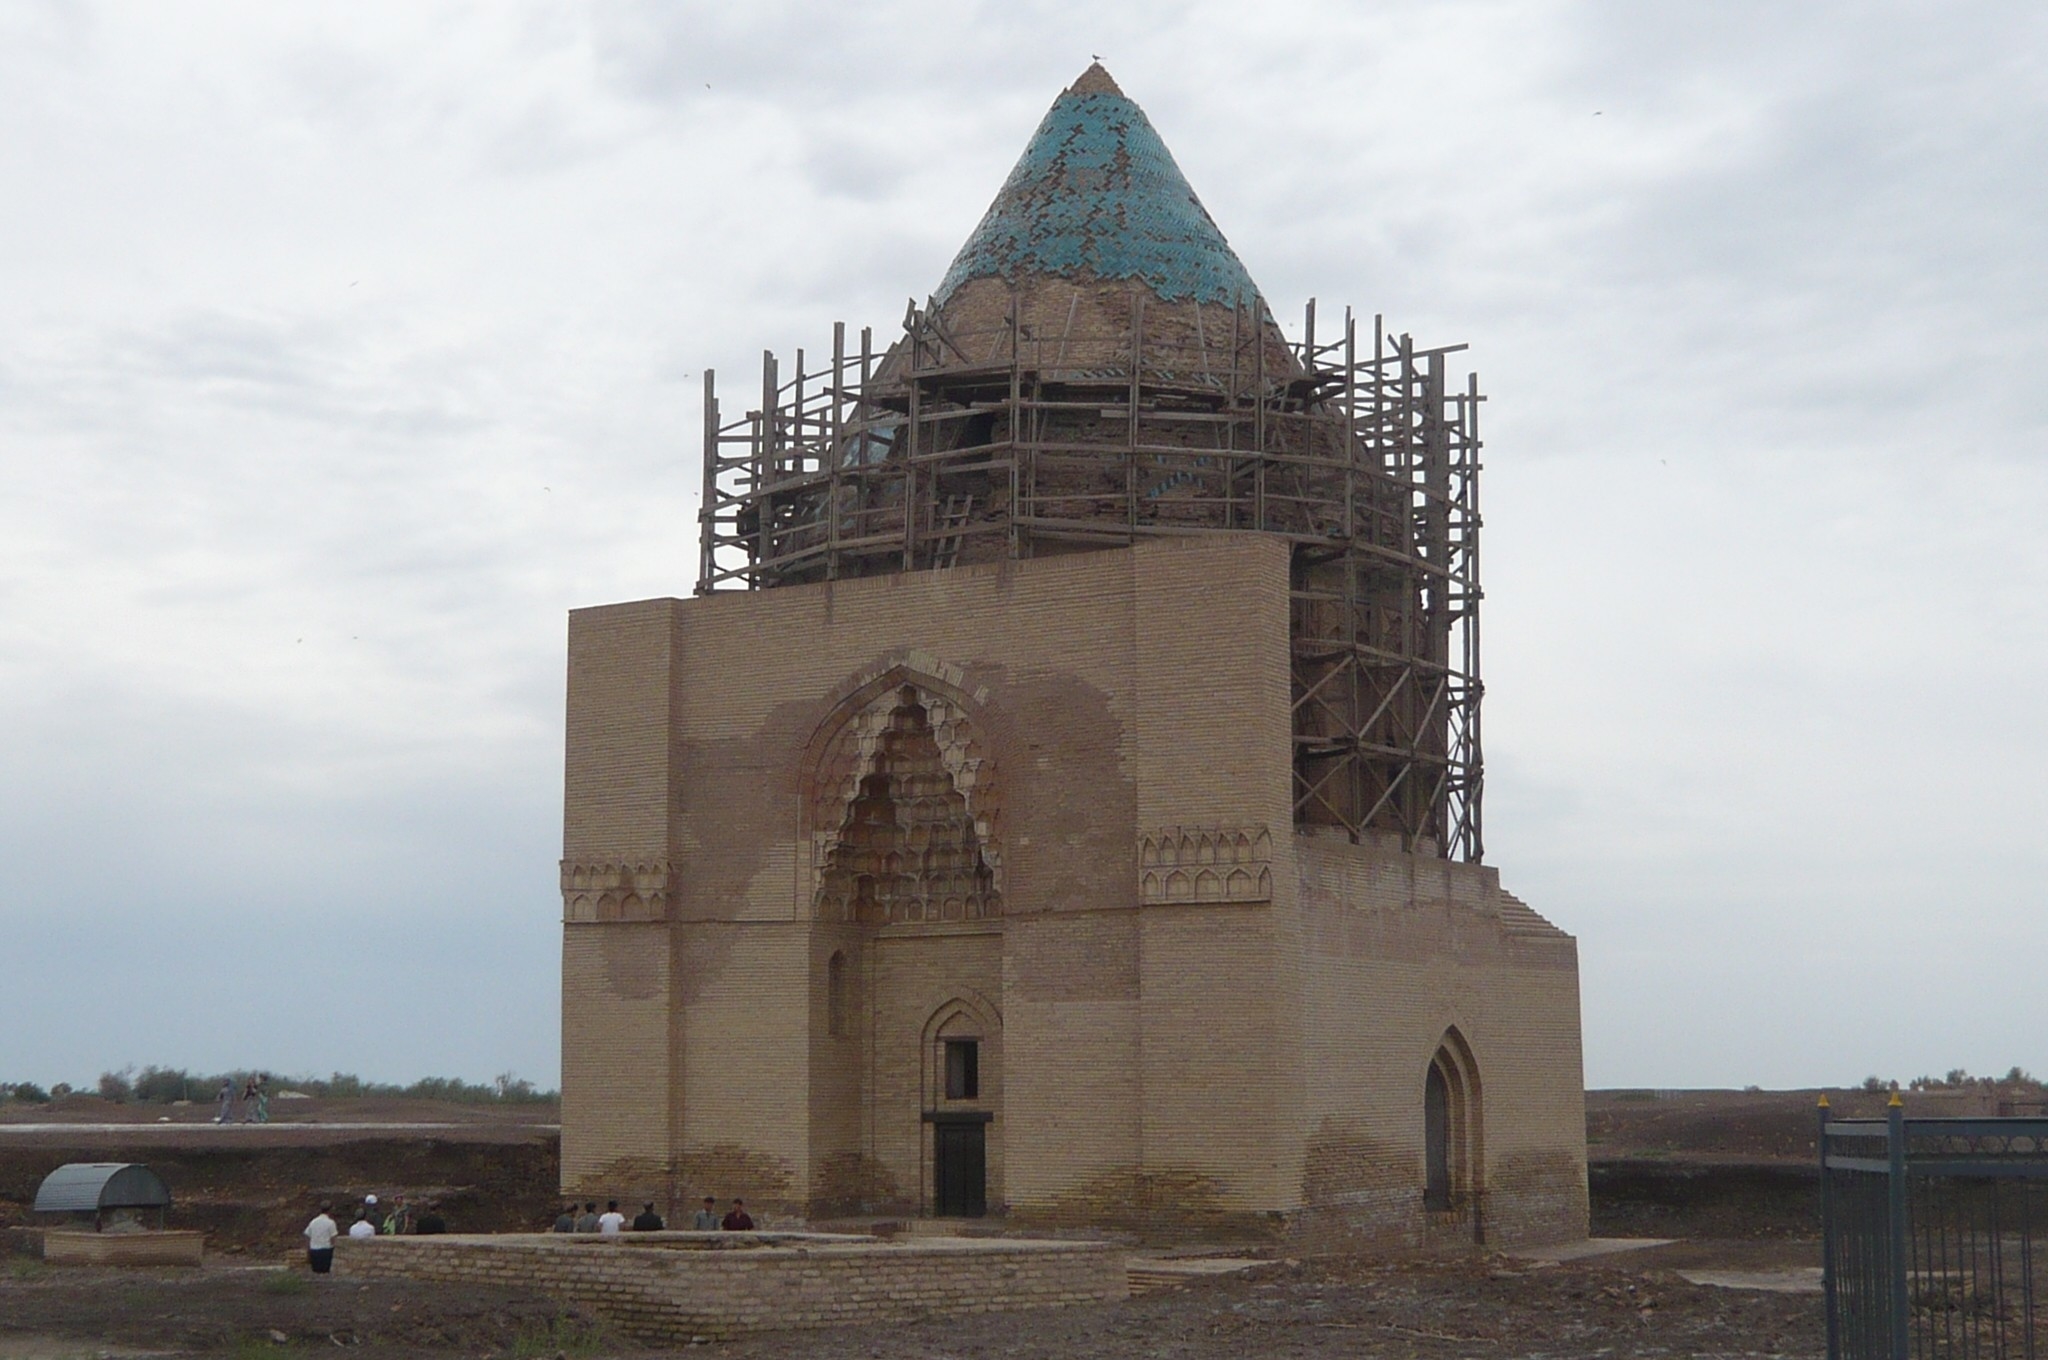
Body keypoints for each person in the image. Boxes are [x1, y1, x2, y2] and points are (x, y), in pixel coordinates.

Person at [304, 1204, 340, 1274]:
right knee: (325, 1272)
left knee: (316, 1272)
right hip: (326, 1251)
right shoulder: (331, 1223)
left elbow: (307, 1235)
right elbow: (333, 1238)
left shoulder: (313, 1222)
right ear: (330, 1211)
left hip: (314, 1250)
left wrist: (308, 1248)